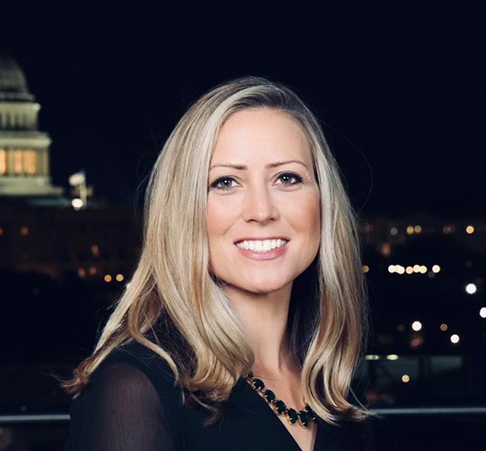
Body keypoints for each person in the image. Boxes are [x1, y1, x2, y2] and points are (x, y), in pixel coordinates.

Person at [63, 76, 375, 450]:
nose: (262, 211)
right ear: (184, 210)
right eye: (226, 182)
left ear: (324, 201)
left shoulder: (334, 384)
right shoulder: (133, 387)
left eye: (287, 178)